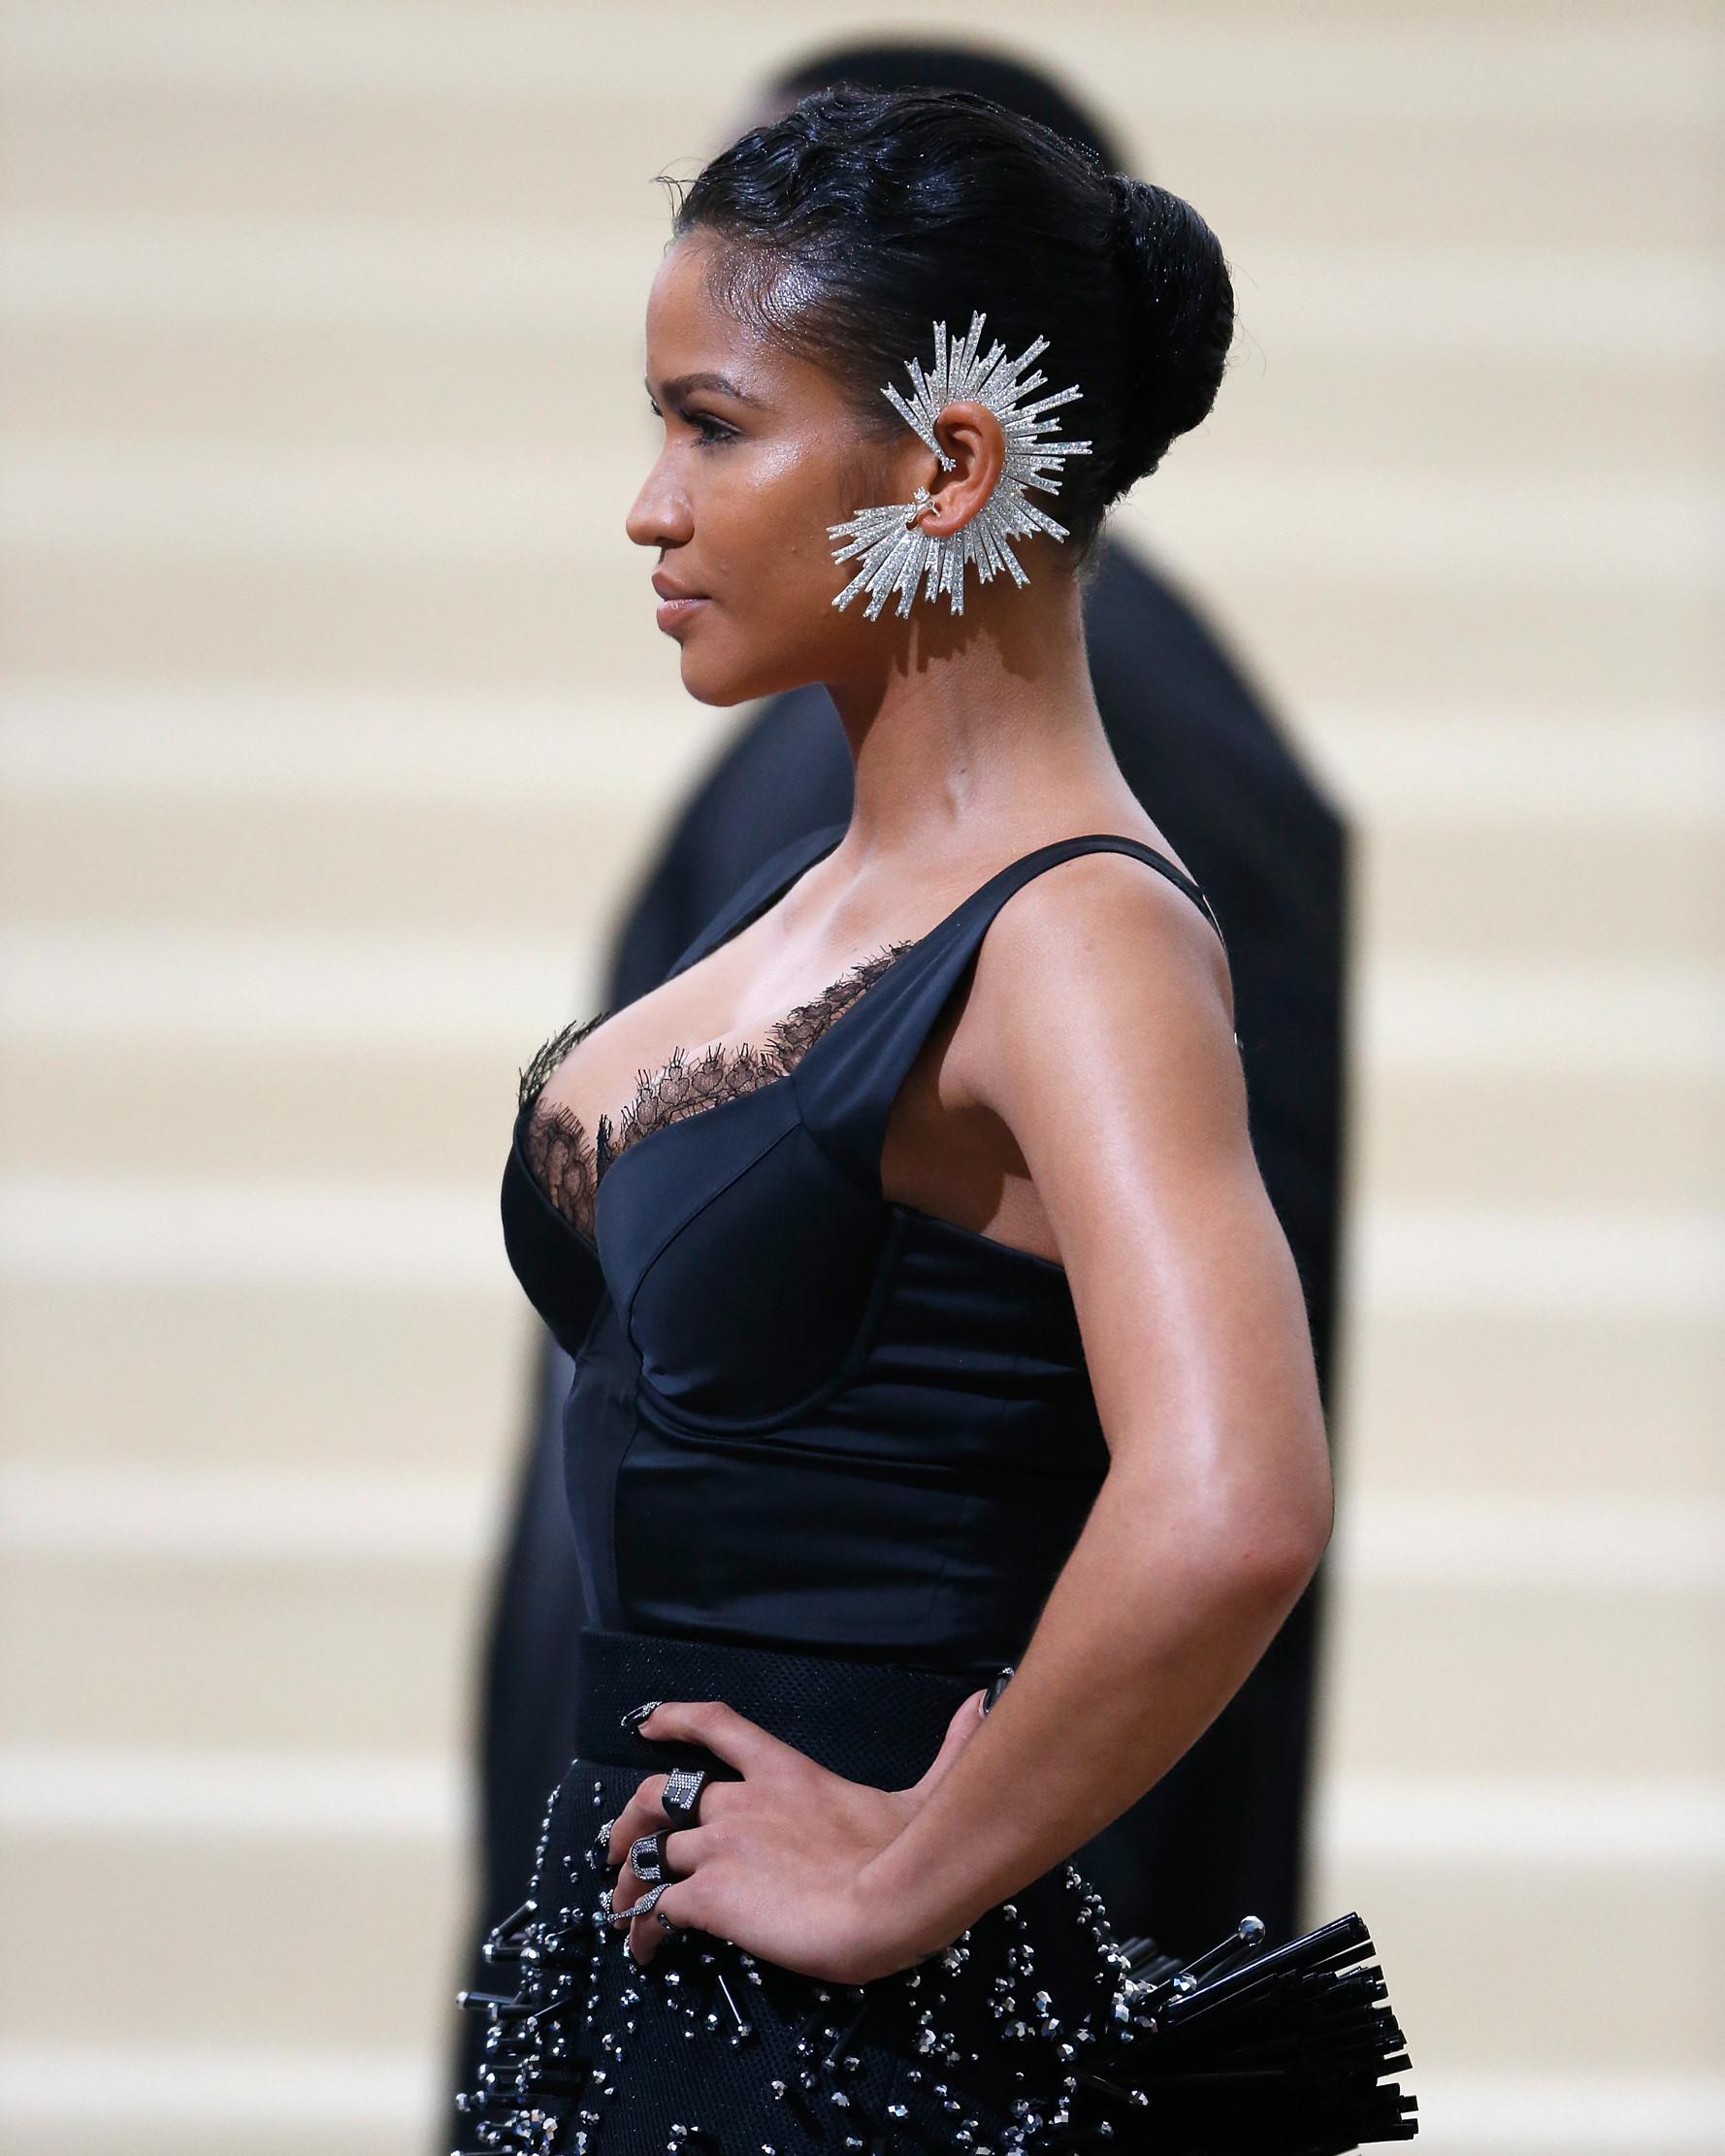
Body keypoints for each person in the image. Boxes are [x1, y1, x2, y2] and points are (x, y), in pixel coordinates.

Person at [453, 82, 1416, 2152]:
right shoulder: (805, 893)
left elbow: (1235, 1494)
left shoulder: (1077, 936)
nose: (646, 503)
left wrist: (903, 1869)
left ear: (949, 463)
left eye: (713, 427)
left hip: (842, 2047)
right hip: (643, 1989)